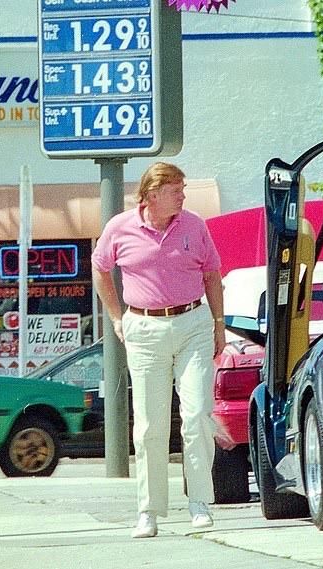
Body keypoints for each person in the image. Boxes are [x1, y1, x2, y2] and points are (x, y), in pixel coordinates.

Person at [92, 161, 225, 539]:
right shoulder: (120, 227)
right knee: (149, 424)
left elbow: (212, 274)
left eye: (183, 189)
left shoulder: (194, 225)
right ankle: (148, 510)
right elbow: (100, 267)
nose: (182, 196)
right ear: (152, 195)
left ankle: (199, 503)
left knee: (198, 414)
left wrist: (218, 324)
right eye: (175, 190)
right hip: (144, 326)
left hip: (193, 324)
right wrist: (118, 319)